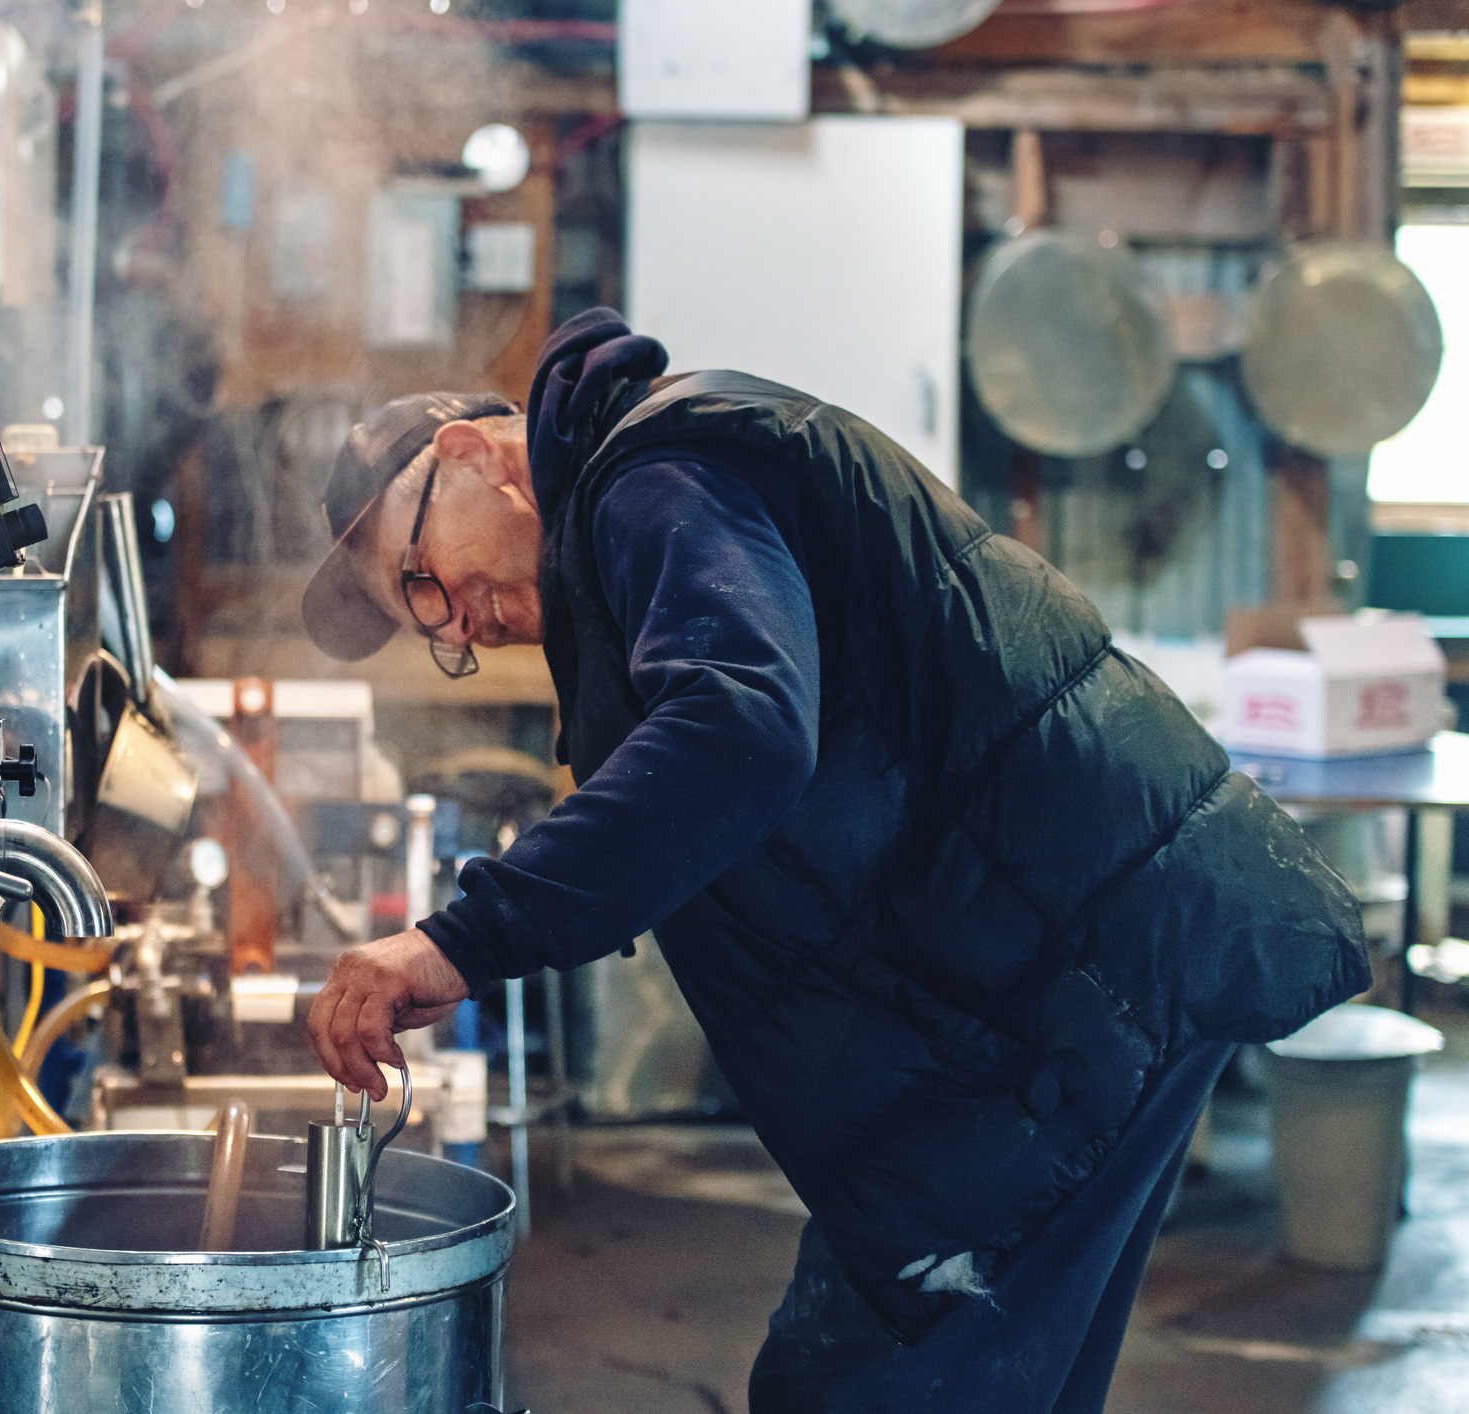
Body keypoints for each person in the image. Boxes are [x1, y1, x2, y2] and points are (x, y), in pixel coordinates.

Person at [299, 308, 1368, 1413]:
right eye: (425, 625)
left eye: (421, 577)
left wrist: (461, 939)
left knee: (856, 1385)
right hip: (1040, 992)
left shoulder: (651, 478)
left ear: (471, 456)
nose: (454, 629)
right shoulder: (633, 515)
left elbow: (739, 730)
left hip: (1064, 997)